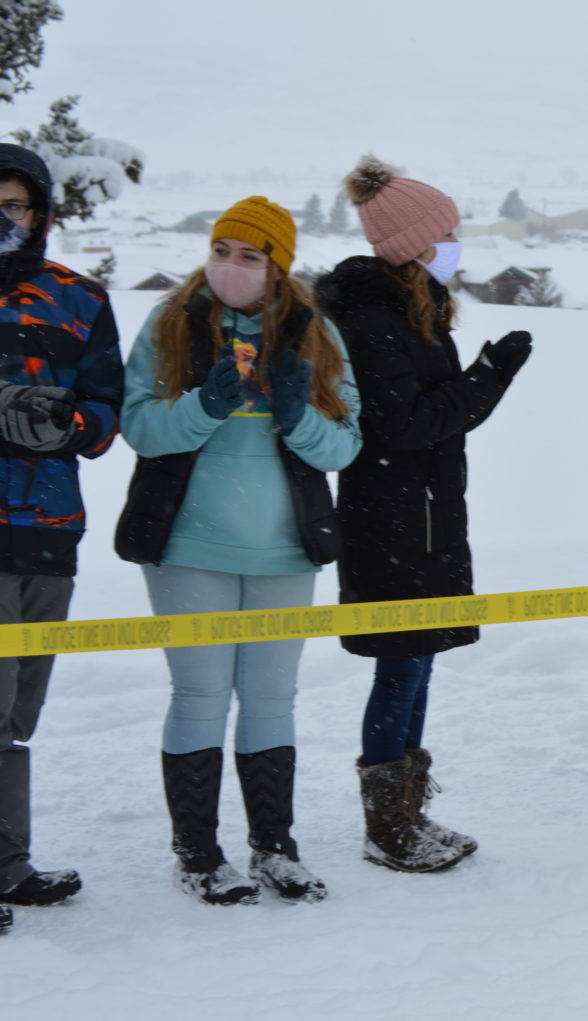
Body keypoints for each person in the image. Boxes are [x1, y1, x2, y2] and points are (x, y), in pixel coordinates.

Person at [116, 196, 361, 905]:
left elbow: (345, 444)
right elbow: (138, 426)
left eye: (249, 256)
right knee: (199, 694)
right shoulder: (171, 322)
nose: (230, 266)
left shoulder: (316, 334)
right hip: (188, 544)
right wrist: (204, 405)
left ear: (277, 267)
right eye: (221, 250)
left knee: (270, 699)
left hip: (284, 548)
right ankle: (197, 853)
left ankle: (275, 848)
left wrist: (297, 416)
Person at [316, 156, 531, 873]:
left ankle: (407, 810)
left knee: (419, 664)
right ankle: (387, 827)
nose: (457, 244)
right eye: (448, 233)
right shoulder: (373, 317)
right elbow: (408, 423)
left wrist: (480, 378)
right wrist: (489, 375)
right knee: (400, 669)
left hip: (426, 518)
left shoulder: (415, 310)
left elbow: (430, 419)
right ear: (413, 243)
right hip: (392, 522)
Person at [0, 143, 123, 930]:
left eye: (13, 205)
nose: (2, 218)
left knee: (18, 712)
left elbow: (108, 411)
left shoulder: (79, 299)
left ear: (40, 213)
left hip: (49, 529)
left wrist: (66, 423)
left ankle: (8, 863)